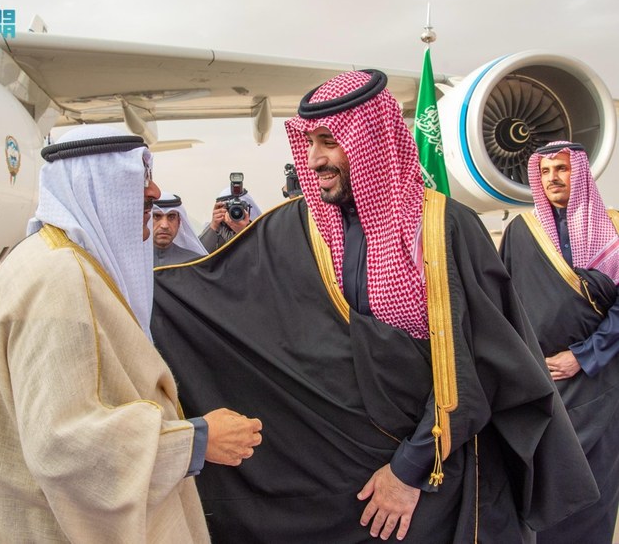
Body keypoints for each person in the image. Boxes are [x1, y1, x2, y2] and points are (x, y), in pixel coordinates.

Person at [151, 71, 598, 543]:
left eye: (330, 141)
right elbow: (207, 298)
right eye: (309, 142)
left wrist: (409, 471)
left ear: (371, 140)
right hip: (343, 483)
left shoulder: (444, 229)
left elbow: (478, 365)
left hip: (431, 479)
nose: (315, 158)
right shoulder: (295, 229)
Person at [0, 125, 263, 543]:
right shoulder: (57, 279)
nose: (154, 192)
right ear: (96, 185)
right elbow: (64, 446)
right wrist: (195, 440)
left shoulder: (54, 260)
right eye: (139, 178)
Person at [499, 141, 619, 544]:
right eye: (546, 171)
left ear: (580, 173)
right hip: (539, 384)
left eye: (562, 169)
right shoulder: (521, 231)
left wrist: (582, 358)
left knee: (593, 490)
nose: (553, 179)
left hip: (599, 383)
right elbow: (502, 304)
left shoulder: (614, 230)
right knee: (542, 484)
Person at [198, 183, 262, 253]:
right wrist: (214, 226)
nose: (235, 212)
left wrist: (244, 232)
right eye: (229, 207)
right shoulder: (217, 230)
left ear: (248, 208)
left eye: (240, 207)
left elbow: (263, 256)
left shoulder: (261, 231)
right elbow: (200, 257)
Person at [153, 191, 207, 266]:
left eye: (171, 217)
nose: (164, 225)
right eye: (156, 216)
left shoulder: (194, 263)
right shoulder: (133, 261)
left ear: (179, 222)